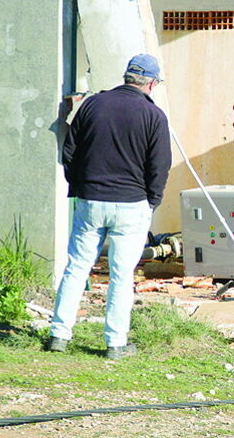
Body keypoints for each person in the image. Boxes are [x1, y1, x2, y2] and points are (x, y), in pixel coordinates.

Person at [48, 54, 171, 360]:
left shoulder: (92, 105)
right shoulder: (154, 116)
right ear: (151, 84)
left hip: (91, 200)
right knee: (120, 274)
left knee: (77, 267)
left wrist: (79, 186)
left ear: (127, 76)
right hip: (131, 205)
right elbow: (160, 167)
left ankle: (58, 335)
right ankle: (115, 344)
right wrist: (152, 201)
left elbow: (69, 151)